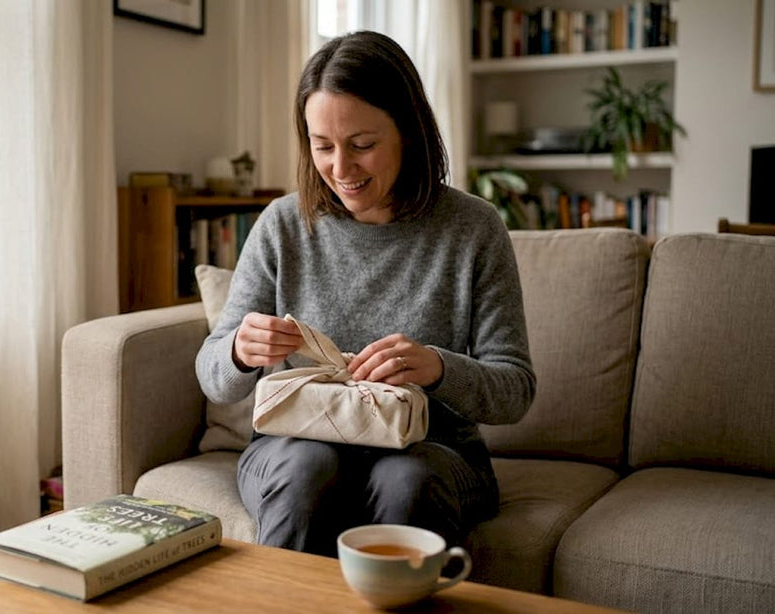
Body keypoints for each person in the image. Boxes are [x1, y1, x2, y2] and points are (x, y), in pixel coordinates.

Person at [194, 30, 536, 557]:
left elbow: (514, 388)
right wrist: (240, 350)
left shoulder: (473, 228)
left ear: (409, 129)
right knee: (307, 470)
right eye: (322, 145)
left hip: (434, 451)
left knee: (406, 482)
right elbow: (213, 376)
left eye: (363, 145)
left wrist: (437, 369)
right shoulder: (283, 226)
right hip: (295, 445)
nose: (340, 169)